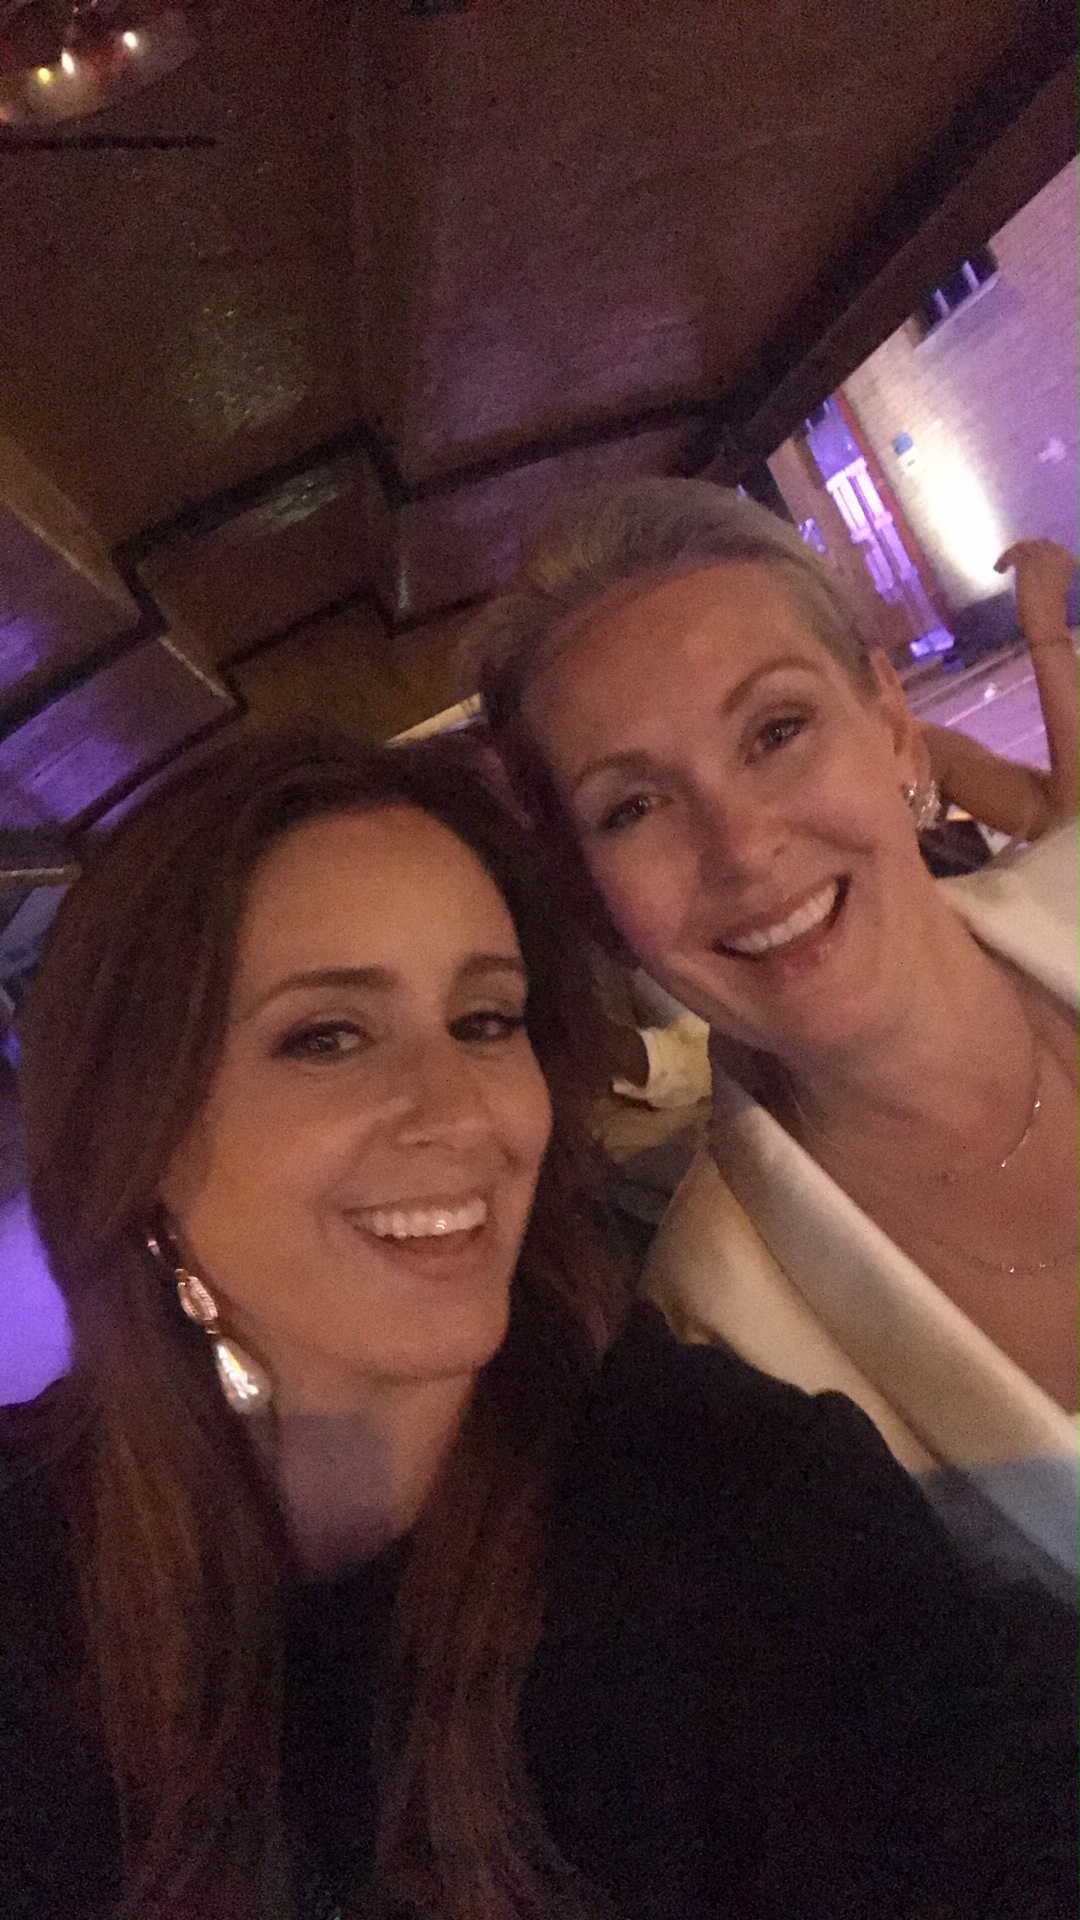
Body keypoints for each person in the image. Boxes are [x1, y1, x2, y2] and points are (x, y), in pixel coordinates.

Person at [4, 727, 1080, 1920]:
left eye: (485, 1021)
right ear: (136, 1123)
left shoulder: (737, 1507)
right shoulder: (29, 1561)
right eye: (328, 1036)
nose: (462, 1110)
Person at [472, 480, 1080, 1593]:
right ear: (591, 895)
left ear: (894, 728)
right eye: (632, 807)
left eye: (777, 731)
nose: (743, 849)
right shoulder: (720, 1349)